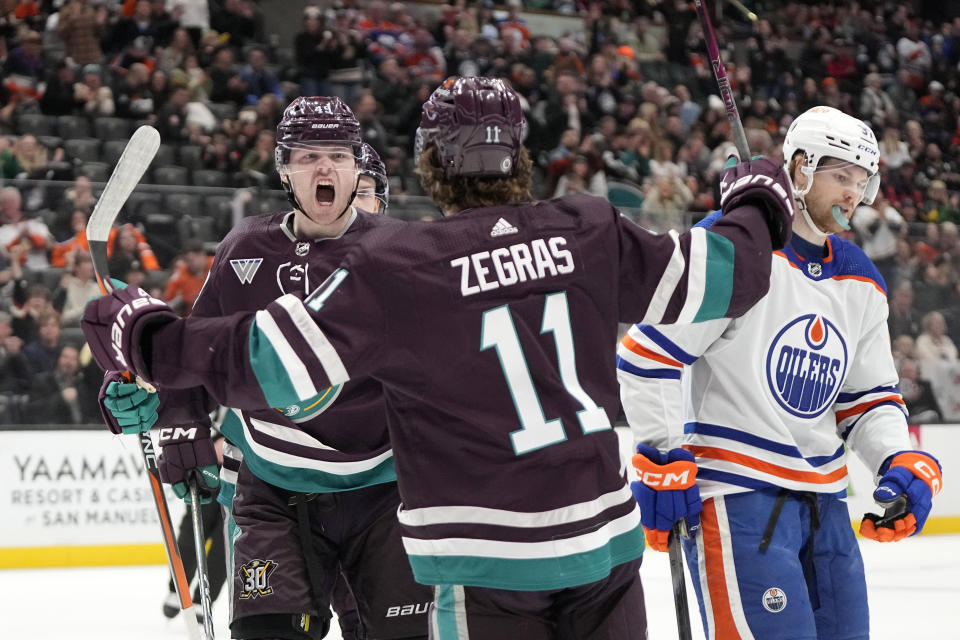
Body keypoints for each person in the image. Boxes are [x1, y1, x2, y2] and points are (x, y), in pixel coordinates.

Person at [82, 76, 794, 639]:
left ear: (425, 164)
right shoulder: (590, 229)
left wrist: (144, 337)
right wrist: (757, 199)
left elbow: (265, 363)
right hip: (601, 548)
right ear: (521, 154)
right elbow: (728, 273)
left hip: (478, 556)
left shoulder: (405, 268)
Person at [98, 96, 432, 640]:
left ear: (355, 165)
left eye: (338, 156)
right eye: (307, 156)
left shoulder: (402, 256)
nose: (324, 168)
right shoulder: (245, 248)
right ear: (283, 168)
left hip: (385, 496)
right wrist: (149, 397)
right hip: (274, 493)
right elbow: (198, 354)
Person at [617, 106, 943, 640]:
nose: (853, 196)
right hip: (738, 498)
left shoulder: (861, 277)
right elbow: (648, 355)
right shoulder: (734, 249)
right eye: (841, 177)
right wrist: (660, 452)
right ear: (799, 169)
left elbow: (868, 401)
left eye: (863, 182)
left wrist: (895, 455)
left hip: (826, 506)